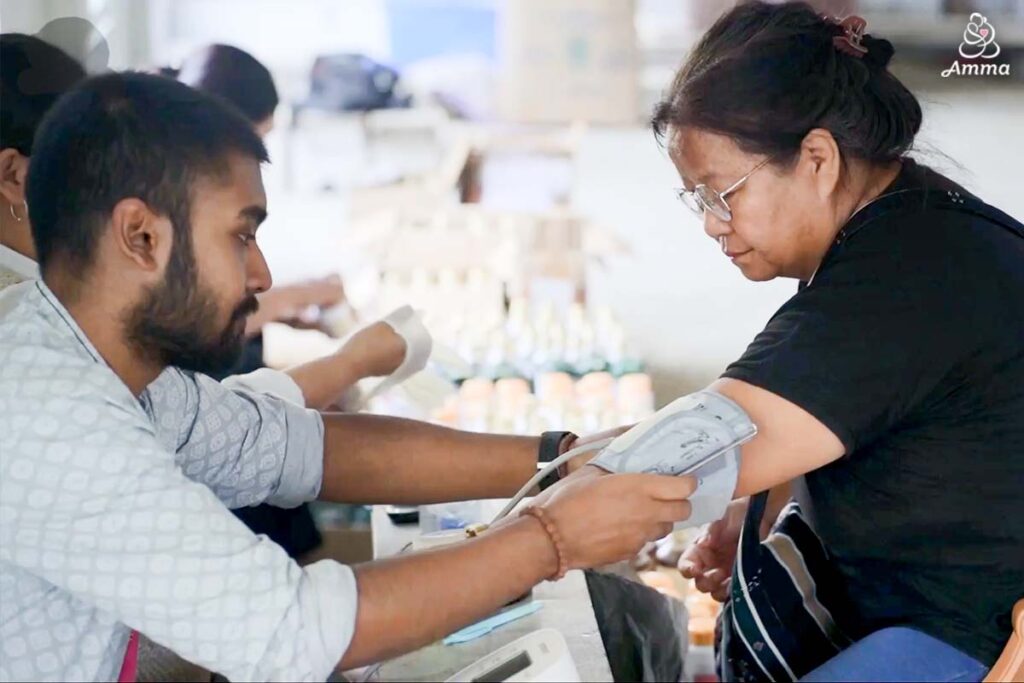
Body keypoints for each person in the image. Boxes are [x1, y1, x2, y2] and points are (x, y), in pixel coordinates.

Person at [0, 70, 695, 682]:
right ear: (141, 236)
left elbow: (301, 448)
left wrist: (562, 457)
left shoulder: (113, 373)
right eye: (241, 235)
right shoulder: (52, 418)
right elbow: (291, 632)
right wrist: (552, 536)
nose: (262, 274)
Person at [609, 2, 1022, 680]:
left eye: (721, 193)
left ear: (818, 159)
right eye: (697, 201)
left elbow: (696, 450)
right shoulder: (911, 221)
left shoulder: (901, 280)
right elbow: (841, 407)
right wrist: (755, 509)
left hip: (967, 631)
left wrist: (546, 478)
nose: (712, 224)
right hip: (918, 591)